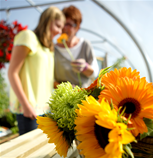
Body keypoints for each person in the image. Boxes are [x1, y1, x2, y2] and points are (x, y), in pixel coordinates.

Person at [8, 6, 65, 135]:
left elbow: (43, 78)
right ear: (48, 20)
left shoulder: (48, 48)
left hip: (45, 109)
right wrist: (26, 106)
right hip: (29, 110)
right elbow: (12, 73)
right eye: (58, 26)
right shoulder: (28, 37)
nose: (60, 31)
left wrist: (63, 86)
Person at [54, 5, 99, 88]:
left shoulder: (85, 44)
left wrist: (85, 67)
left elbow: (95, 73)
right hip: (63, 98)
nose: (64, 28)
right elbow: (50, 79)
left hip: (85, 95)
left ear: (77, 27)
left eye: (69, 24)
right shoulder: (54, 49)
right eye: (63, 23)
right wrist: (66, 88)